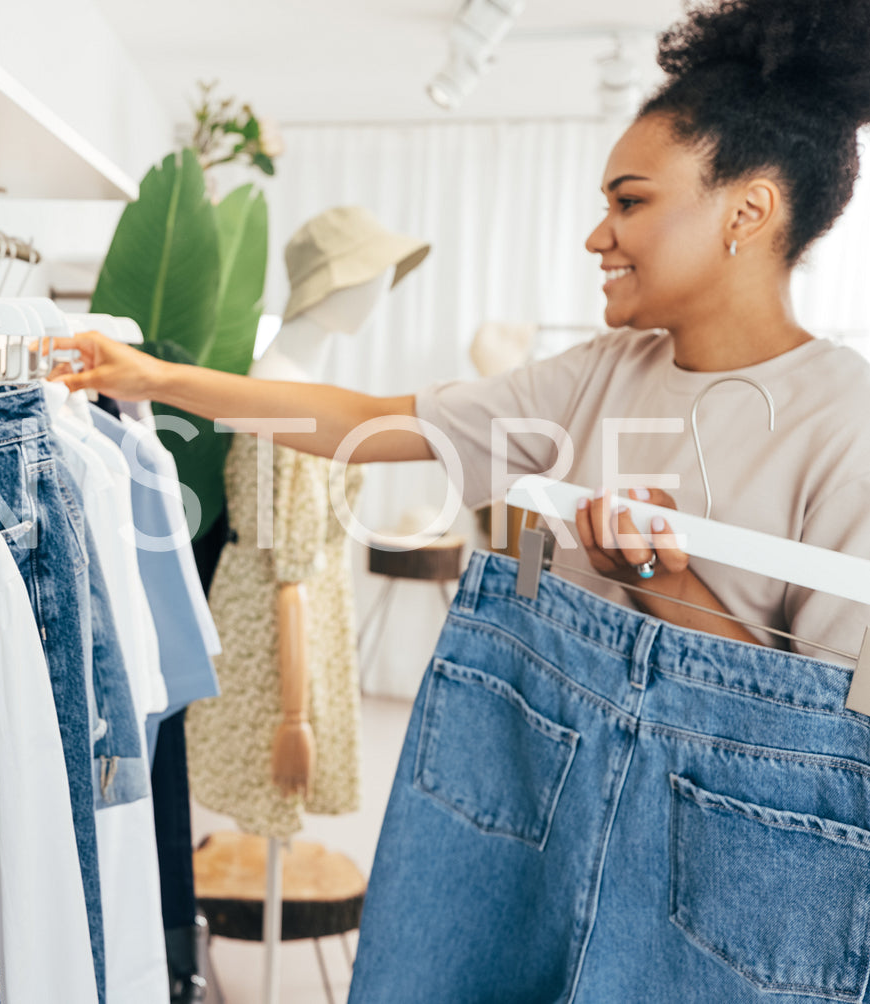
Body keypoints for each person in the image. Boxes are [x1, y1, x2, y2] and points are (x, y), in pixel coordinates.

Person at [51, 0, 870, 664]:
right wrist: (152, 380)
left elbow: (824, 736)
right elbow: (363, 423)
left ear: (748, 210)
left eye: (629, 202)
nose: (597, 236)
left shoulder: (845, 424)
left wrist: (659, 576)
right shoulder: (597, 374)